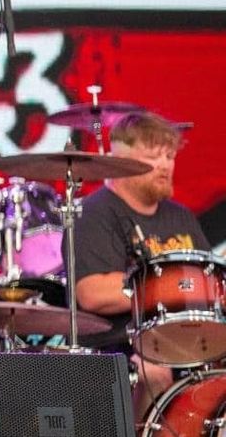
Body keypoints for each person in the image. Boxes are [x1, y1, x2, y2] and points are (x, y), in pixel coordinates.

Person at [70, 111, 205, 416]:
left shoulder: (181, 217)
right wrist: (171, 287)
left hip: (187, 340)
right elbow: (92, 293)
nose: (165, 166)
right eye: (153, 157)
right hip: (121, 347)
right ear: (121, 161)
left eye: (169, 156)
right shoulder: (93, 214)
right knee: (154, 372)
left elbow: (210, 283)